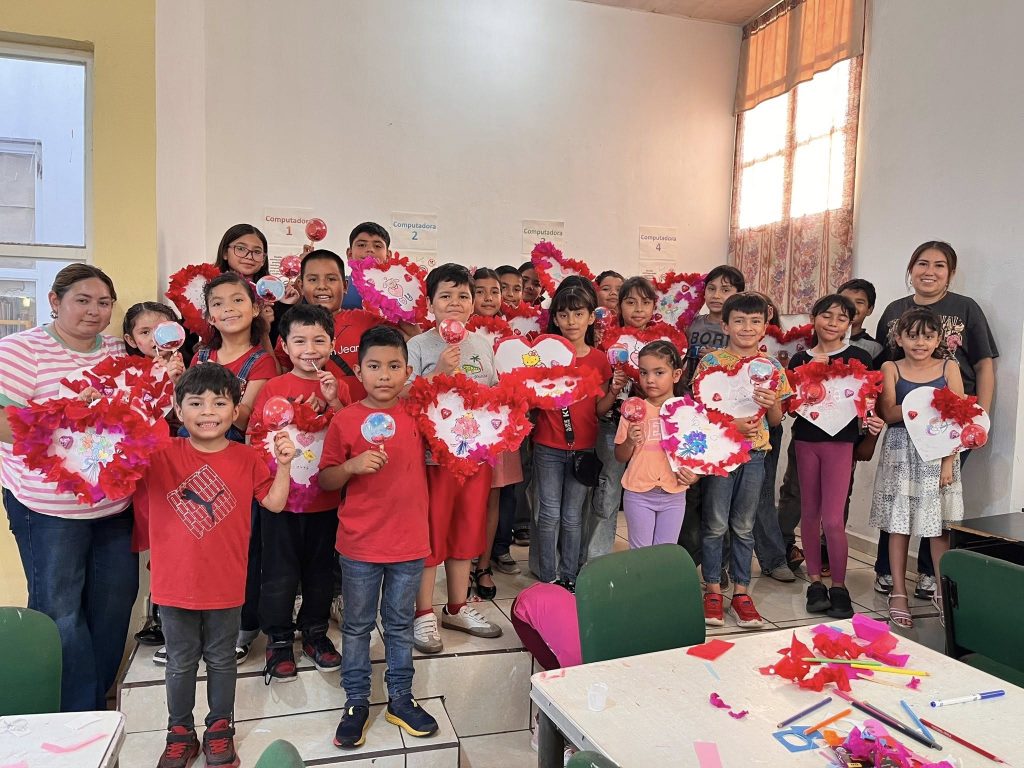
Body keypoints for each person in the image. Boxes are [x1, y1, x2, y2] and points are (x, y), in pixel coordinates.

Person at [138, 364, 294, 768]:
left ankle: (220, 727)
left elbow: (275, 503)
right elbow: (122, 450)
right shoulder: (159, 452)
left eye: (219, 402)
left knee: (223, 658)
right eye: (196, 403)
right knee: (180, 659)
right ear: (178, 408)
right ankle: (180, 731)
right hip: (174, 583)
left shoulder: (247, 457)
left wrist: (285, 464)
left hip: (226, 582)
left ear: (234, 408)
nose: (208, 411)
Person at [0, 264, 138, 711]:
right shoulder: (20, 351)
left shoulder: (118, 350)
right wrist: (67, 422)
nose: (94, 311)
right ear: (55, 301)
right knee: (59, 613)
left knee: (114, 608)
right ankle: (72, 715)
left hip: (114, 509)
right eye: (83, 300)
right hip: (47, 510)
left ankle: (94, 702)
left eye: (103, 302)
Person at [319, 326, 439, 748]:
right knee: (356, 627)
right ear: (358, 370)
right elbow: (326, 479)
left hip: (409, 543)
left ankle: (400, 699)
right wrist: (352, 466)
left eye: (393, 367)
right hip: (359, 545)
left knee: (401, 625)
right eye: (374, 366)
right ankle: (356, 701)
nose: (384, 375)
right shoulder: (346, 419)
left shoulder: (419, 415)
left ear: (407, 370)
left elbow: (447, 451)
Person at [872, 241, 997, 598]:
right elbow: (881, 371)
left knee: (936, 501)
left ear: (951, 273)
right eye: (922, 263)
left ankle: (929, 575)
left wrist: (977, 418)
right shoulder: (895, 310)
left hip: (952, 428)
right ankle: (887, 571)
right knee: (900, 498)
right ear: (910, 269)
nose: (930, 271)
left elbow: (985, 364)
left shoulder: (965, 309)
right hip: (902, 429)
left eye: (939, 265)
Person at [250, 304, 349, 682]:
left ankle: (315, 633)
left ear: (332, 343)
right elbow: (256, 437)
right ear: (284, 346)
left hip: (324, 501)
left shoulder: (340, 386)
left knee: (320, 571)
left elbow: (350, 434)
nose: (310, 348)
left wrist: (335, 400)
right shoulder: (275, 387)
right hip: (282, 501)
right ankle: (277, 640)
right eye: (300, 341)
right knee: (278, 573)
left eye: (319, 340)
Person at [408, 264, 504, 653]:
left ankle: (458, 606)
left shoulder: (482, 344)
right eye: (445, 296)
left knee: (467, 529)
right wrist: (440, 374)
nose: (455, 303)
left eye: (463, 296)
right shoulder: (418, 346)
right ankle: (423, 613)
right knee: (432, 531)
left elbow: (495, 391)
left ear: (473, 304)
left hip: (474, 458)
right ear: (430, 304)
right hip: (433, 460)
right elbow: (407, 396)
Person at [696, 292, 791, 629]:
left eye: (754, 321)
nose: (747, 327)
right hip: (721, 454)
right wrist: (729, 424)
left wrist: (771, 402)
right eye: (739, 320)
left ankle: (740, 591)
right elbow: (700, 411)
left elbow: (777, 420)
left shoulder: (772, 367)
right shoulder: (710, 362)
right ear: (726, 324)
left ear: (765, 326)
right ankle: (711, 588)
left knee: (744, 525)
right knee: (716, 523)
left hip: (754, 454)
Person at [788, 295, 883, 619]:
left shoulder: (858, 358)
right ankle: (816, 582)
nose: (832, 323)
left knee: (832, 519)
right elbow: (791, 406)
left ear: (851, 324)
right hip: (806, 441)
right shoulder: (798, 361)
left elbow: (867, 404)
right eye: (826, 315)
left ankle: (839, 585)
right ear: (814, 317)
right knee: (810, 515)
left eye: (841, 318)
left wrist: (871, 424)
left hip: (841, 445)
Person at [869, 307, 964, 628]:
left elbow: (958, 418)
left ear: (939, 338)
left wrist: (949, 462)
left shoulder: (949, 367)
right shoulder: (890, 367)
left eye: (927, 336)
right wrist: (924, 403)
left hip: (938, 456)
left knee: (939, 528)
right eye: (912, 336)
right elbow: (889, 413)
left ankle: (941, 590)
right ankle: (898, 591)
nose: (920, 343)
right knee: (899, 525)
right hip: (901, 452)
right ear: (899, 338)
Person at [533, 283, 616, 589]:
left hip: (583, 448)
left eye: (578, 314)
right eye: (564, 314)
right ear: (554, 317)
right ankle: (548, 576)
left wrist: (616, 390)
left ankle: (570, 576)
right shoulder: (543, 355)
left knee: (572, 516)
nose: (571, 321)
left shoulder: (598, 359)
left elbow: (600, 410)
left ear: (591, 318)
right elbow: (531, 399)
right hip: (547, 446)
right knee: (549, 514)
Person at [123, 301, 187, 648]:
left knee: (177, 538)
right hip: (142, 470)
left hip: (178, 469)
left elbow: (192, 416)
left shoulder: (189, 366)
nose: (153, 338)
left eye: (160, 329)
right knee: (155, 540)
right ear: (130, 339)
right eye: (144, 332)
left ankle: (174, 614)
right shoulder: (123, 375)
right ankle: (158, 614)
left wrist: (178, 381)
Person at [583, 277, 647, 562]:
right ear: (619, 305)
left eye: (645, 302)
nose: (638, 309)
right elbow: (599, 389)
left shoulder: (665, 342)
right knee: (608, 490)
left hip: (650, 429)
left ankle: (644, 558)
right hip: (612, 423)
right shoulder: (608, 342)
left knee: (646, 493)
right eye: (630, 302)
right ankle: (596, 559)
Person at [614, 341, 697, 548]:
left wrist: (696, 475)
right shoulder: (633, 409)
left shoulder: (688, 412)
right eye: (643, 373)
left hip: (674, 494)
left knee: (665, 554)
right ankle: (640, 582)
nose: (650, 380)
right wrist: (630, 441)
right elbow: (620, 455)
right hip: (639, 493)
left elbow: (698, 456)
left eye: (659, 372)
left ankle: (661, 582)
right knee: (640, 553)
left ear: (676, 375)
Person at [471, 268, 523, 595]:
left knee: (492, 498)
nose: (489, 298)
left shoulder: (514, 337)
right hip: (462, 429)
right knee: (463, 501)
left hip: (499, 428)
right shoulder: (456, 334)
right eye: (480, 291)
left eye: (495, 291)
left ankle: (484, 564)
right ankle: (458, 561)